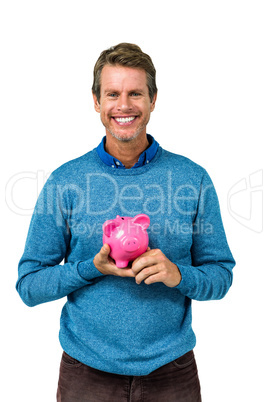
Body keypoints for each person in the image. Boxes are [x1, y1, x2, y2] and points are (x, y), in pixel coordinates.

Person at [16, 43, 235, 402]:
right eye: (112, 93)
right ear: (96, 101)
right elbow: (29, 286)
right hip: (86, 374)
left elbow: (221, 276)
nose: (124, 105)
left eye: (135, 93)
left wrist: (178, 274)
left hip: (172, 373)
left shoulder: (192, 178)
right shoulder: (65, 181)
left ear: (153, 99)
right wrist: (91, 268)